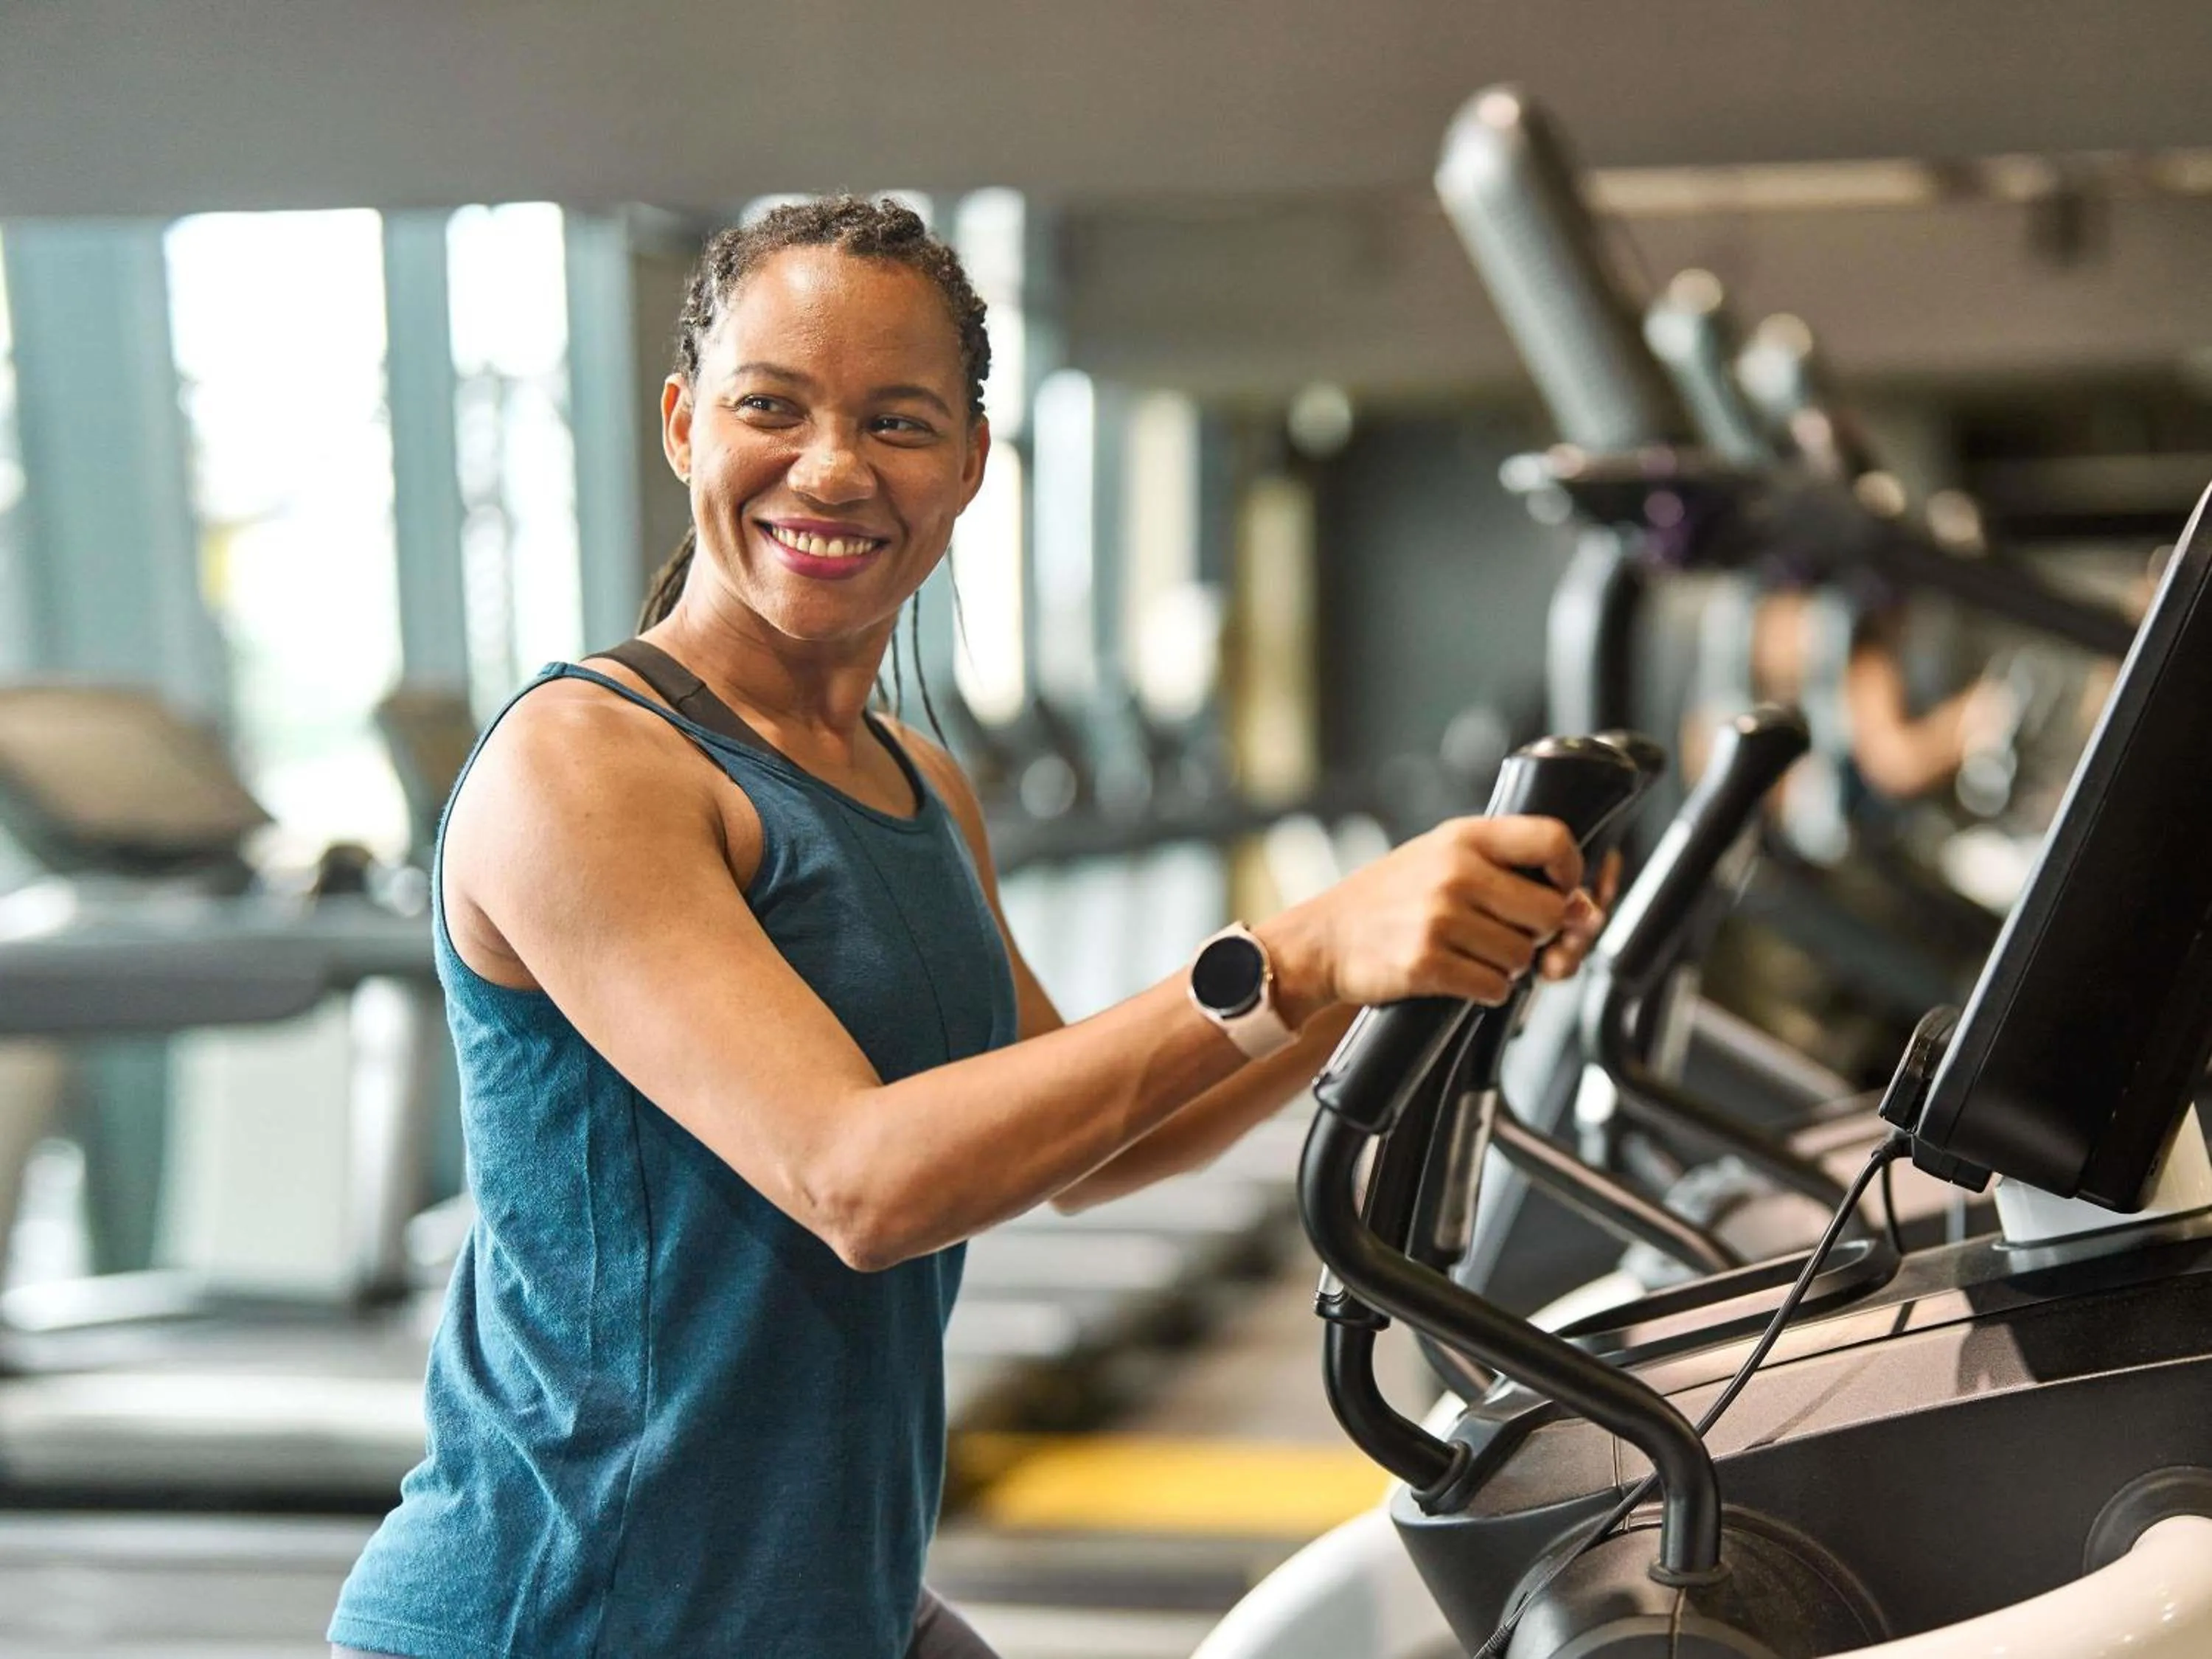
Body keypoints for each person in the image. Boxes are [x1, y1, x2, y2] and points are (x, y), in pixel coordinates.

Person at [327, 195, 1610, 1659]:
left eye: (897, 421)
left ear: (971, 464)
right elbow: (856, 1184)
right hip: (570, 1620)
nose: (831, 467)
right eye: (773, 407)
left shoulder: (917, 778)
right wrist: (1311, 946)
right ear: (684, 424)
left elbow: (1103, 1142)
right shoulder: (588, 764)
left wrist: (1414, 962)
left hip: (833, 1610)